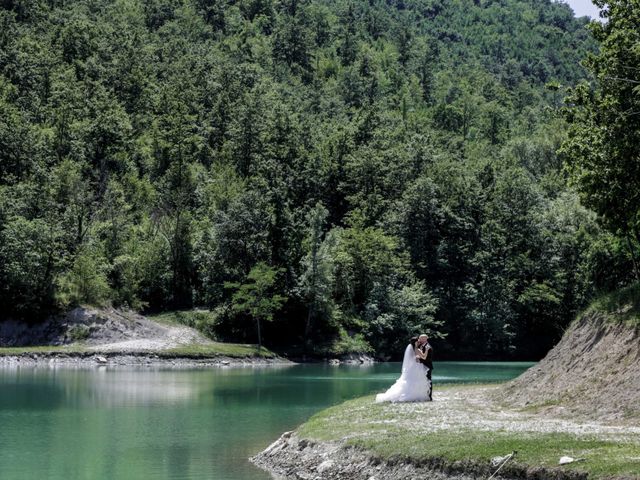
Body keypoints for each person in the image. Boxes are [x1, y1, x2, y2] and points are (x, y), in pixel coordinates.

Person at [375, 337, 430, 403]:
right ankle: (413, 395)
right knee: (414, 381)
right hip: (416, 367)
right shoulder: (416, 349)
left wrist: (419, 354)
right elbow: (424, 357)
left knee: (409, 381)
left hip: (412, 368)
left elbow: (415, 357)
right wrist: (426, 350)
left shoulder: (412, 348)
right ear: (415, 342)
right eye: (418, 341)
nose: (419, 342)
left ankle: (411, 394)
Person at [415, 334, 433, 401]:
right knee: (423, 380)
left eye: (420, 338)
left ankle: (429, 396)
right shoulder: (422, 346)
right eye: (419, 338)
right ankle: (424, 394)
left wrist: (419, 358)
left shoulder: (428, 346)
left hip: (427, 366)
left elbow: (426, 358)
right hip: (423, 366)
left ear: (425, 339)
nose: (419, 340)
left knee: (428, 381)